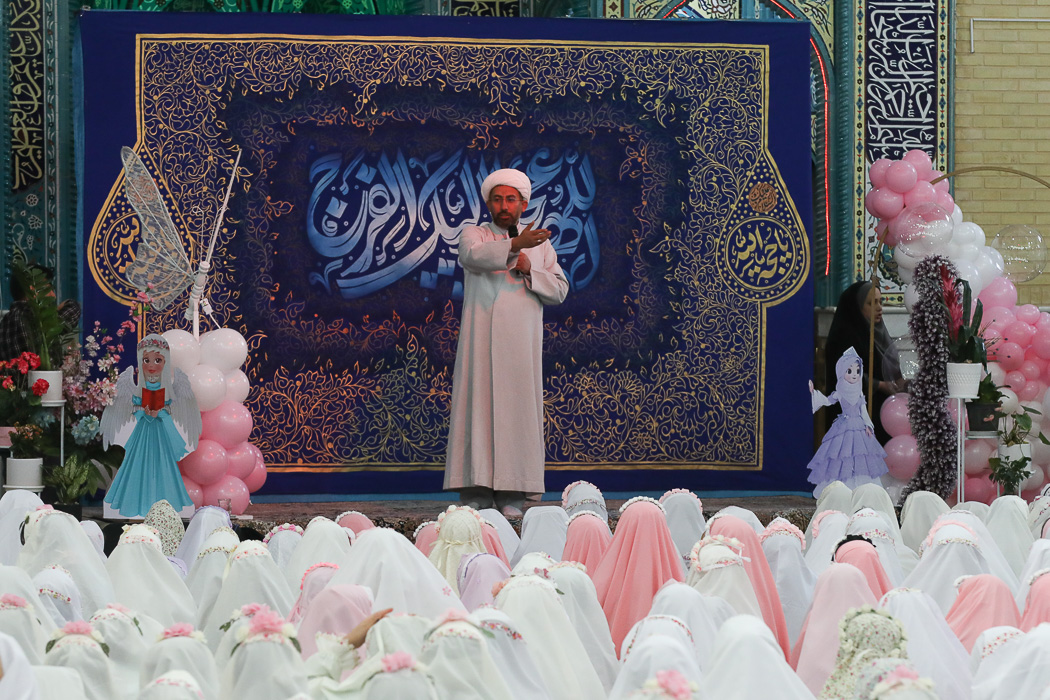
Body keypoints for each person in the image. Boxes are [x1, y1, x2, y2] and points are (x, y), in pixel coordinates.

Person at [444, 168, 569, 517]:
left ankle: (514, 490)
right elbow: (472, 256)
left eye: (510, 199)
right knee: (478, 408)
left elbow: (559, 290)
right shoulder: (475, 234)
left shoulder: (541, 244)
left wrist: (529, 267)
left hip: (519, 346)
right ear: (489, 203)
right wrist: (515, 245)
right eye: (497, 199)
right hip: (480, 342)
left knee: (516, 412)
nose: (503, 206)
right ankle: (476, 489)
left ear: (523, 204)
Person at [100, 335, 201, 517]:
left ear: (165, 362)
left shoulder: (171, 389)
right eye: (146, 360)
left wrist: (158, 413)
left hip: (160, 431)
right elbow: (133, 408)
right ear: (141, 361)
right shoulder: (136, 388)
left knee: (163, 463)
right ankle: (135, 503)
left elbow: (169, 408)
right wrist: (144, 413)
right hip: (143, 431)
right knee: (137, 462)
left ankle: (164, 503)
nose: (151, 365)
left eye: (158, 360)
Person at [824, 281, 904, 444]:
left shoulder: (879, 333)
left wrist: (901, 383)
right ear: (857, 307)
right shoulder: (845, 336)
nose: (879, 308)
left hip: (881, 412)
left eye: (880, 302)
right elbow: (844, 376)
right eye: (872, 303)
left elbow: (890, 369)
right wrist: (880, 385)